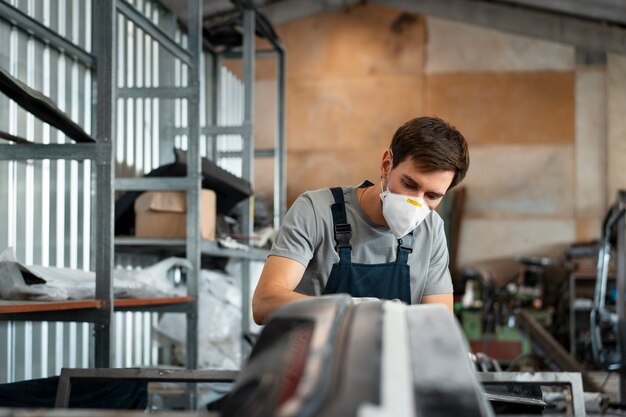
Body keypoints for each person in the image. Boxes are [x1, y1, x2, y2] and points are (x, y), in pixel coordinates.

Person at [252, 116, 469, 324]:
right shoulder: (316, 211)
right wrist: (356, 310)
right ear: (386, 165)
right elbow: (264, 303)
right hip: (314, 358)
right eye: (409, 185)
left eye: (432, 196)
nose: (416, 203)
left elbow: (439, 324)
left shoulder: (431, 229)